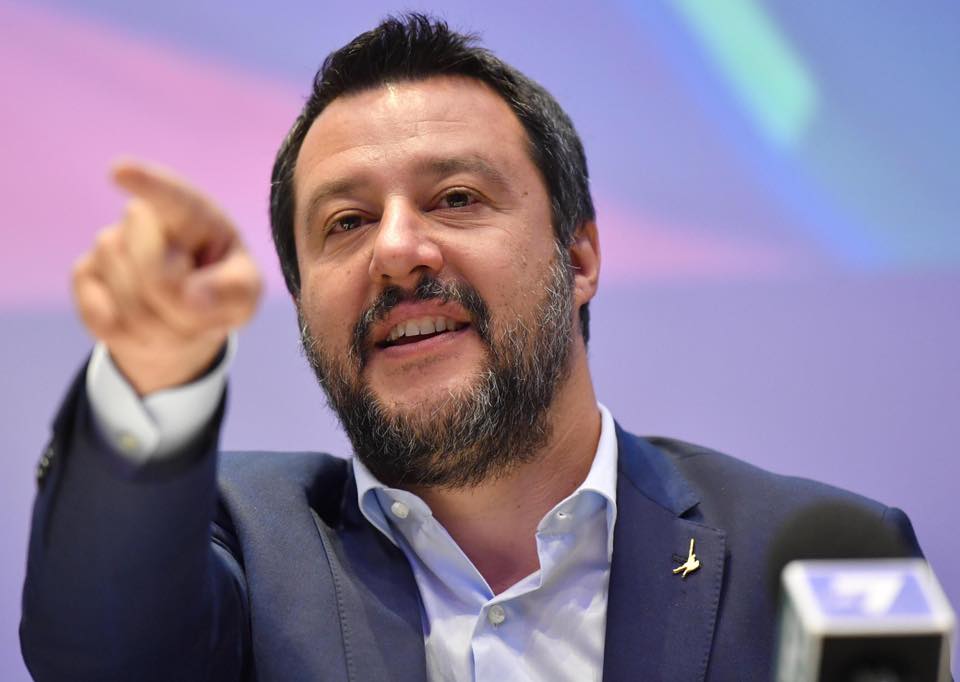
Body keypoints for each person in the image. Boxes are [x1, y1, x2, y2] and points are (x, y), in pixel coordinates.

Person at [20, 14, 921, 682]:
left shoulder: (810, 559)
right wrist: (151, 378)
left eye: (455, 198)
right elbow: (102, 649)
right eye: (345, 222)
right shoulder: (232, 542)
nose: (396, 250)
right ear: (299, 302)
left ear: (579, 258)